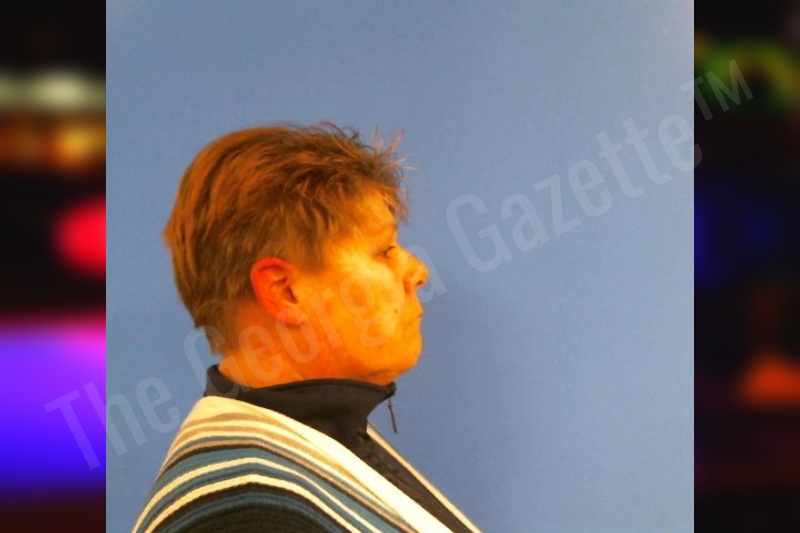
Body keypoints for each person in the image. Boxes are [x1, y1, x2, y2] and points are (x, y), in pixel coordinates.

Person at [132, 123, 482, 532]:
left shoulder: (310, 445)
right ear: (285, 291)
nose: (418, 272)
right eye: (384, 251)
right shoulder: (251, 518)